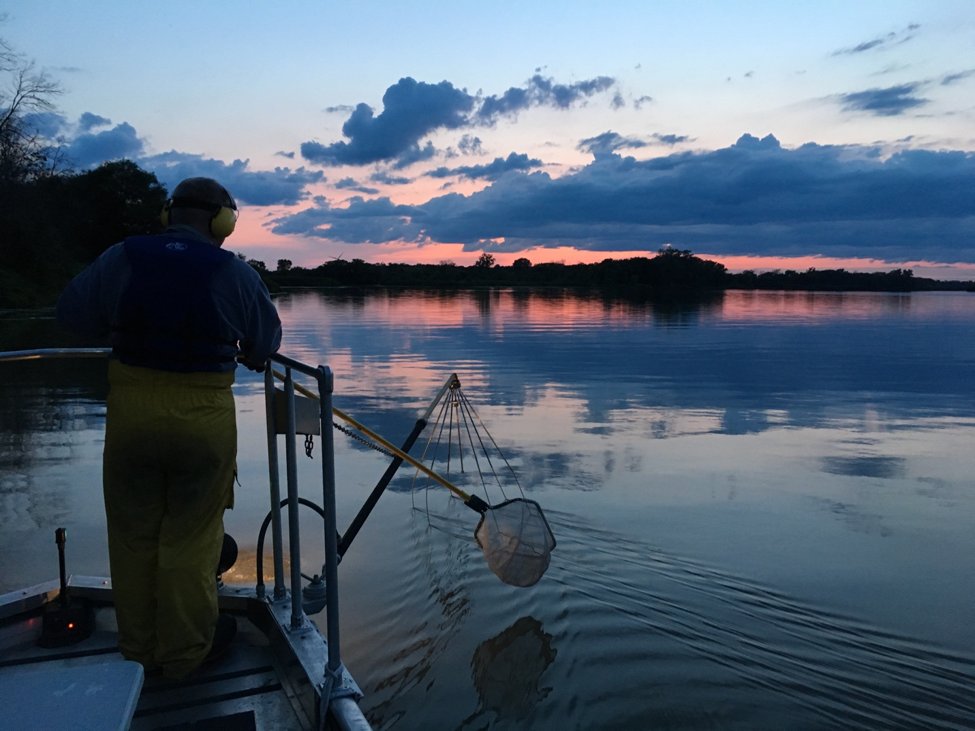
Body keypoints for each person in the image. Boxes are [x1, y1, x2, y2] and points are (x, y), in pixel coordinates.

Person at [57, 177, 282, 680]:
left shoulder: (121, 256)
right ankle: (184, 655)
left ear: (167, 214)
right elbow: (265, 344)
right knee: (192, 539)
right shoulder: (234, 272)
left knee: (133, 536)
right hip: (202, 418)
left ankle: (138, 652)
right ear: (223, 221)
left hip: (130, 412)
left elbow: (71, 315)